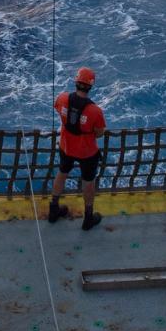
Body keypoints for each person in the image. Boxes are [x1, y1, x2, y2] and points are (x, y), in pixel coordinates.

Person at [49, 66, 107, 231]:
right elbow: (99, 134)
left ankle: (54, 209)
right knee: (88, 182)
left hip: (66, 147)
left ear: (76, 82)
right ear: (90, 86)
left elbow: (59, 111)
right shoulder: (95, 111)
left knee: (62, 173)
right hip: (87, 152)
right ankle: (88, 218)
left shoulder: (62, 98)